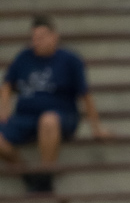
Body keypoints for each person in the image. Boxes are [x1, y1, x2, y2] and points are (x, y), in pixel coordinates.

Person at [0, 15, 110, 192]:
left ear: (54, 36)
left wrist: (96, 127)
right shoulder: (23, 57)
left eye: (41, 37)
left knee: (48, 119)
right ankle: (26, 171)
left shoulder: (70, 60)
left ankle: (45, 176)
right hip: (25, 118)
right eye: (34, 38)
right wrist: (3, 109)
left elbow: (86, 96)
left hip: (61, 116)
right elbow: (7, 85)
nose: (37, 42)